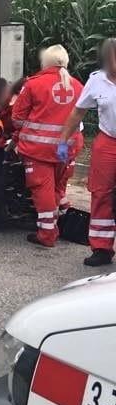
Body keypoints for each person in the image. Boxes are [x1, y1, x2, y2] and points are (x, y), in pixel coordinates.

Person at [11, 45, 84, 248]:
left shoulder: (34, 84)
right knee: (58, 189)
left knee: (42, 190)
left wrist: (20, 133)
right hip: (67, 149)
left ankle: (47, 234)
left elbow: (17, 118)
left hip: (38, 150)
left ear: (45, 61)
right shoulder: (78, 85)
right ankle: (56, 223)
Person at [57, 37, 116, 267]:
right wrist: (63, 140)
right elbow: (78, 112)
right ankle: (101, 248)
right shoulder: (97, 81)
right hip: (108, 142)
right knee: (101, 193)